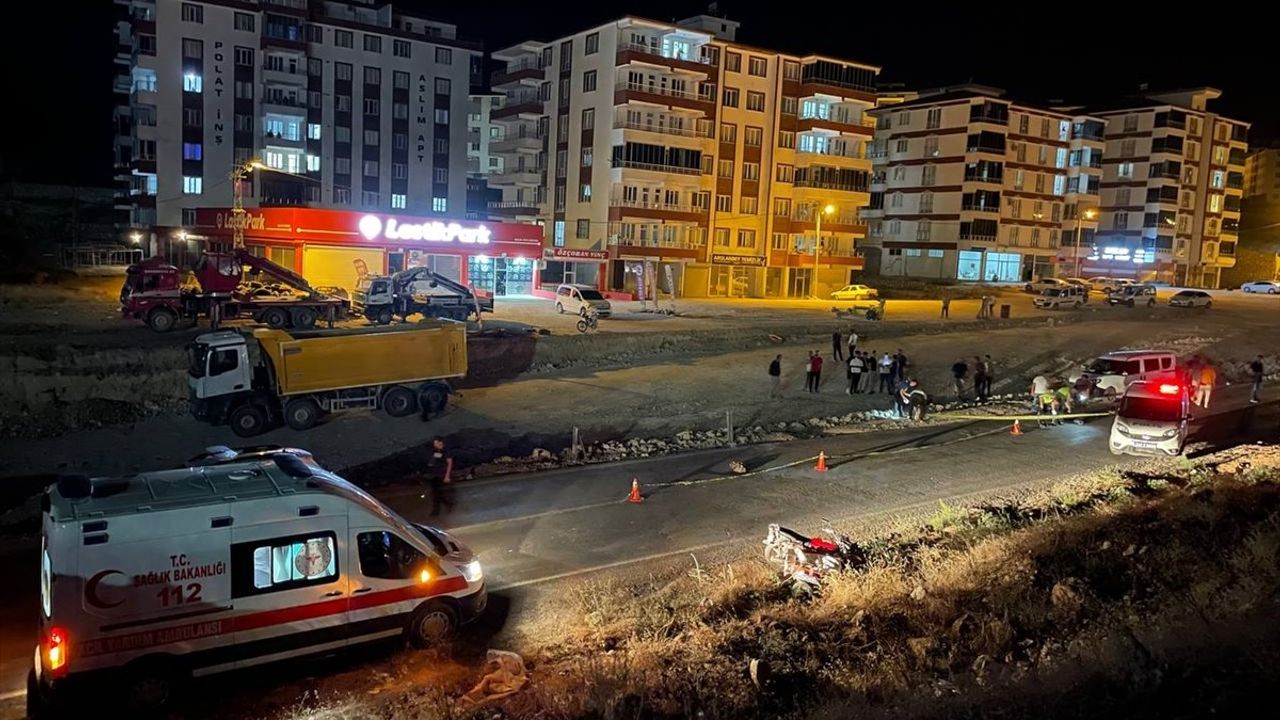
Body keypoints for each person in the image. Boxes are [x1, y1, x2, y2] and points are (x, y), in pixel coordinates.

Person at [421, 436, 456, 517]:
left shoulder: (446, 451)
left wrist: (447, 476)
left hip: (442, 475)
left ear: (441, 442)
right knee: (437, 493)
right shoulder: (438, 451)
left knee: (436, 493)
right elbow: (433, 462)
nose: (435, 445)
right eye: (434, 443)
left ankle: (436, 511)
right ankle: (447, 504)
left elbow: (450, 463)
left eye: (436, 443)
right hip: (435, 474)